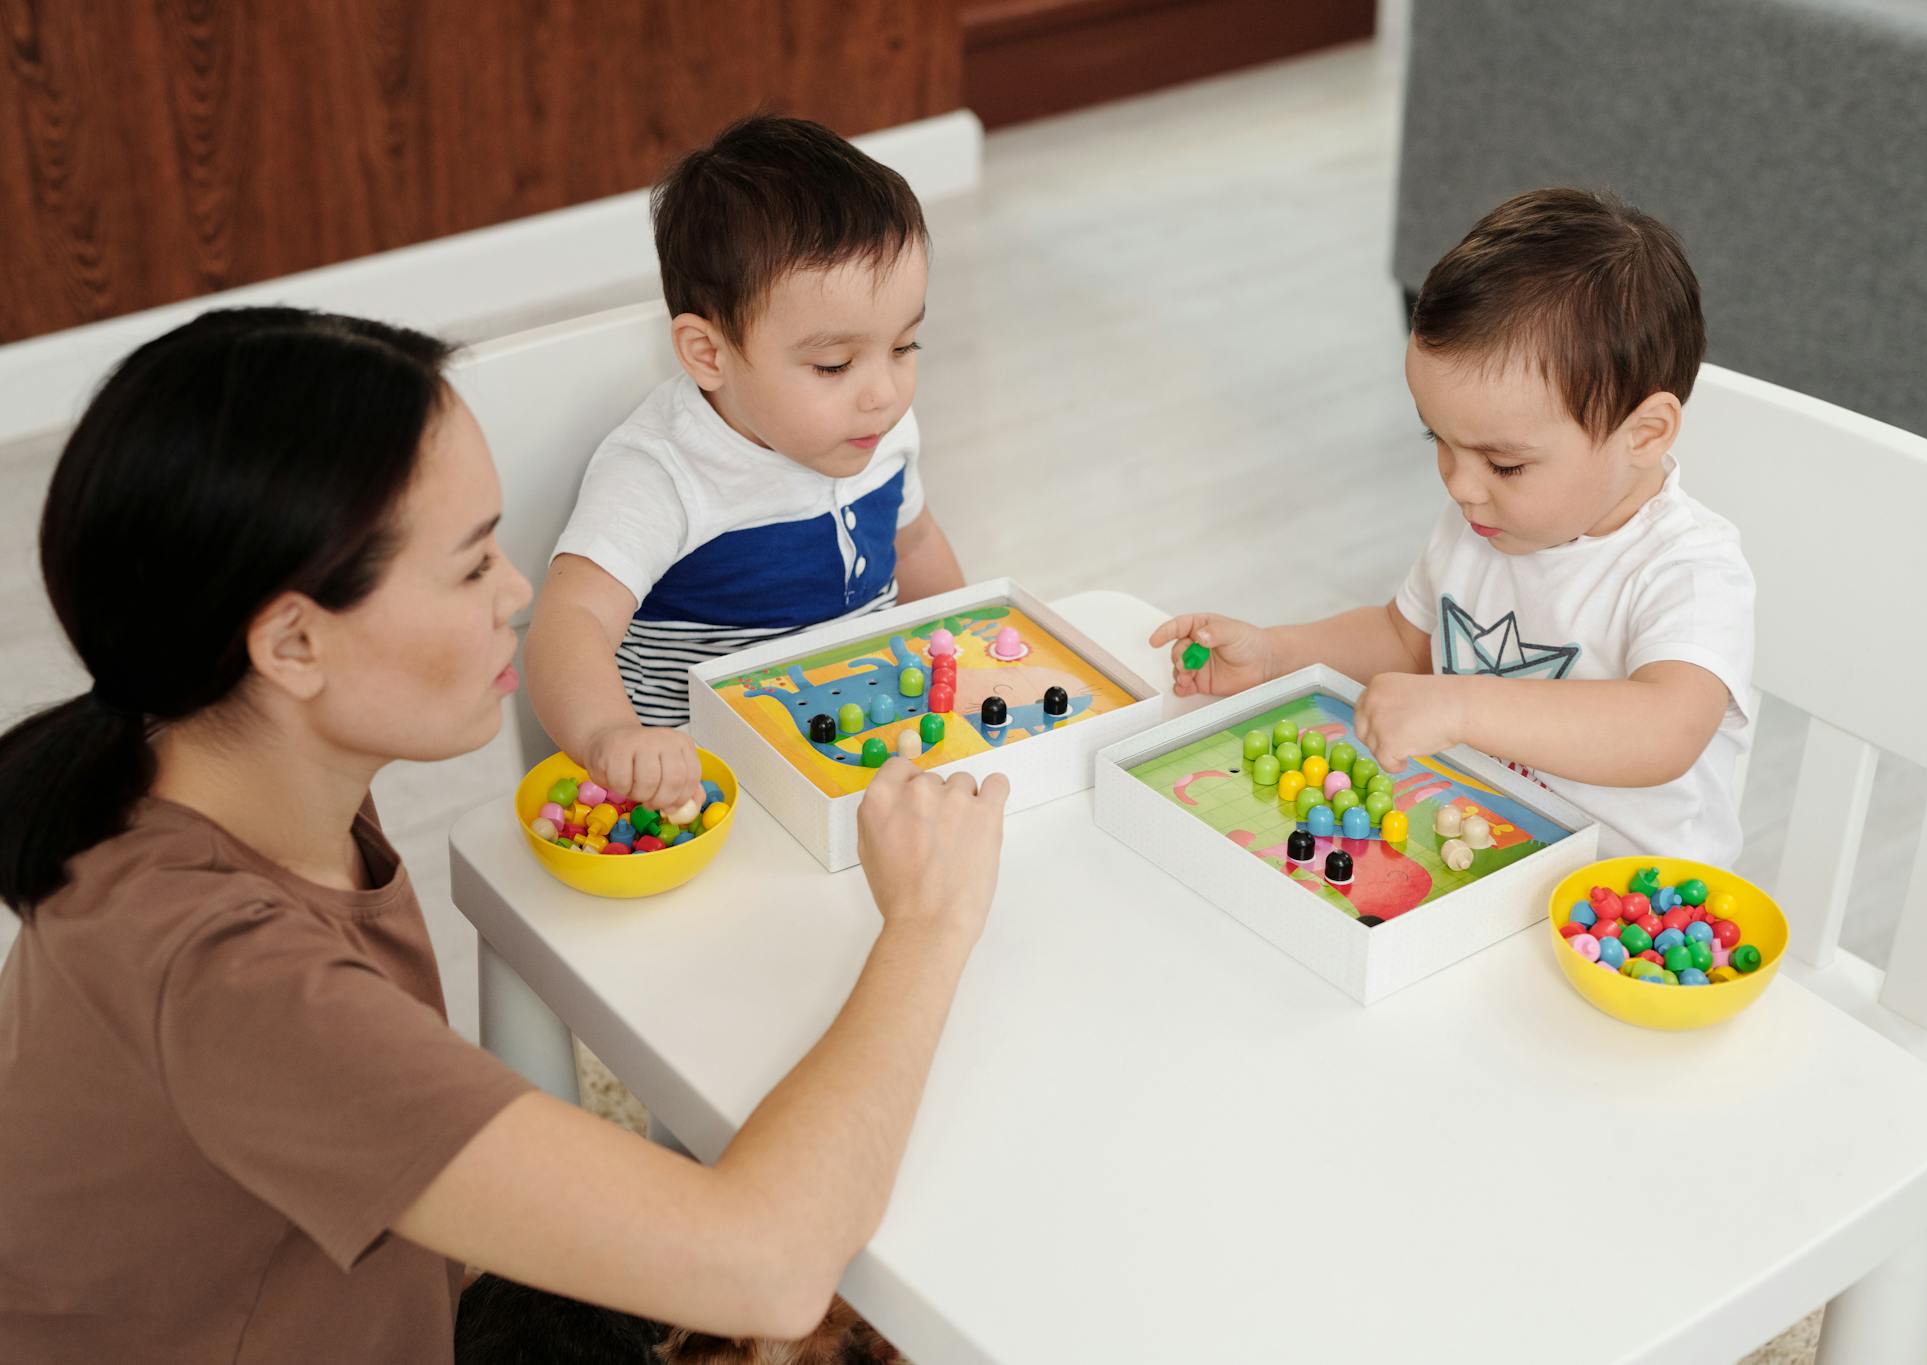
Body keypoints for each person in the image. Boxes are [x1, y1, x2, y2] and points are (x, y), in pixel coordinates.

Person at [0, 307, 1007, 1363]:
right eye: (474, 564)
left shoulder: (230, 769)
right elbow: (768, 1265)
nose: (519, 596)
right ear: (293, 641)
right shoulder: (228, 980)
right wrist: (928, 926)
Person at [1154, 188, 1755, 861]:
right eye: (1437, 438)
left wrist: (1464, 707)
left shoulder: (1688, 571)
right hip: (1483, 854)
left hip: (1633, 910)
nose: (1461, 485)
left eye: (1503, 463)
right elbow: (1403, 639)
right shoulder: (1487, 521)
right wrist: (1276, 653)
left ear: (1644, 433)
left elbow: (1663, 731)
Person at [526, 115, 967, 818]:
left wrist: (960, 654)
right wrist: (612, 734)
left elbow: (912, 543)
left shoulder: (877, 429)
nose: (884, 392)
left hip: (866, 753)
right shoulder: (663, 472)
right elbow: (568, 620)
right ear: (708, 355)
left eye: (905, 346)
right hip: (708, 789)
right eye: (834, 364)